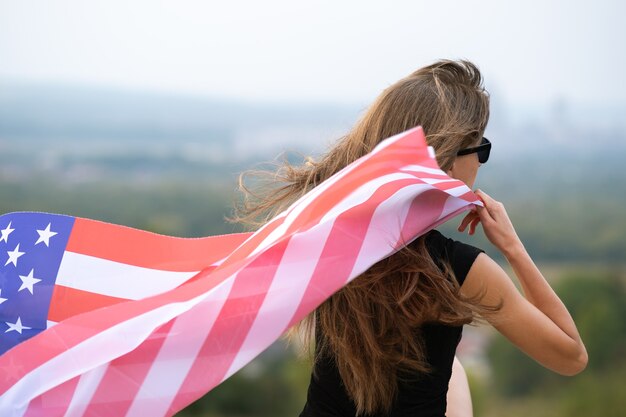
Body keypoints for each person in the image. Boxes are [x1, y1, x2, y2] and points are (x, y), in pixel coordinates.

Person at [232, 60, 587, 416]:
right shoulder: (457, 270)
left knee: (455, 372)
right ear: (447, 161)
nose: (480, 162)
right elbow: (571, 355)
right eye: (479, 148)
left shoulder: (325, 239)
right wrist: (512, 246)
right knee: (456, 373)